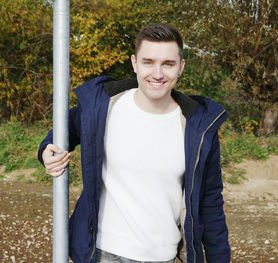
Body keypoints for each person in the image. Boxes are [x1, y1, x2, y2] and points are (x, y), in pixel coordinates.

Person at [38, 24, 230, 263]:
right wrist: (47, 150)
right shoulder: (104, 106)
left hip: (162, 257)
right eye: (148, 62)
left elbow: (211, 202)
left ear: (181, 67)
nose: (157, 73)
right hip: (100, 254)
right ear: (134, 63)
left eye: (168, 64)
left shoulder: (198, 127)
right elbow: (64, 131)